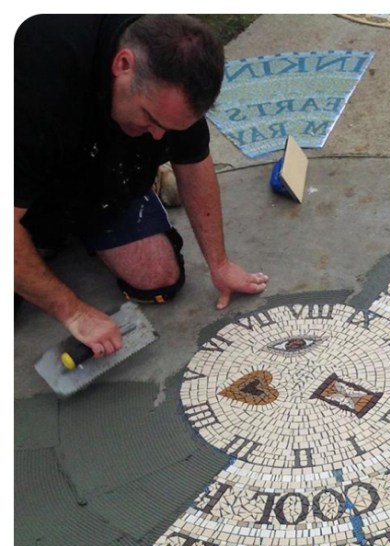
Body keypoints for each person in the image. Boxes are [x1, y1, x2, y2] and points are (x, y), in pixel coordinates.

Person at [15, 14, 268, 359]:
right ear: (123, 64)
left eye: (170, 128)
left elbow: (193, 160)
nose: (159, 136)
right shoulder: (38, 78)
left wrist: (219, 263)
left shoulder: (176, 68)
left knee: (159, 277)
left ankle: (127, 188)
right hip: (30, 166)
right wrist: (73, 312)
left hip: (98, 166)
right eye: (151, 118)